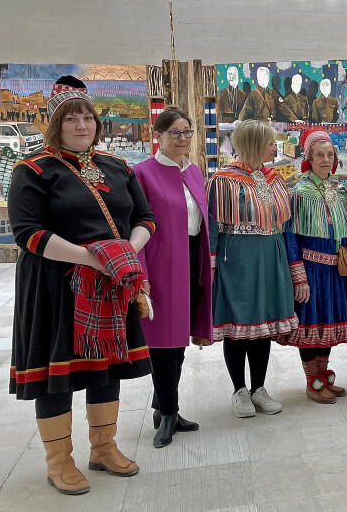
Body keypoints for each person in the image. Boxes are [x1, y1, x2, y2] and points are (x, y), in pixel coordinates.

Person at [8, 76, 154, 495]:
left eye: (86, 117)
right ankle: (59, 462)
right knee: (58, 372)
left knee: (106, 365)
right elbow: (28, 233)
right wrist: (95, 258)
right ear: (56, 125)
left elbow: (145, 219)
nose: (80, 125)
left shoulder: (117, 167)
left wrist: (125, 252)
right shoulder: (34, 170)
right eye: (70, 118)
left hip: (110, 285)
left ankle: (103, 448)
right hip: (57, 284)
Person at [207, 120, 299, 417]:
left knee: (262, 325)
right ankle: (239, 390)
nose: (275, 147)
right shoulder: (221, 180)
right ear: (254, 145)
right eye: (270, 143)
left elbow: (285, 225)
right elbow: (211, 226)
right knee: (239, 326)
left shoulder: (275, 178)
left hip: (271, 255)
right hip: (237, 259)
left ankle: (258, 388)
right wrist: (210, 265)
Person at [133, 107, 213, 448]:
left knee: (179, 339)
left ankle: (164, 405)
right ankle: (168, 413)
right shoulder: (142, 173)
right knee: (161, 343)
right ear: (158, 136)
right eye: (174, 133)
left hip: (191, 259)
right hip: (161, 265)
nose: (182, 139)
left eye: (187, 132)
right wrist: (142, 275)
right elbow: (135, 227)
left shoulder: (194, 171)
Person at [281, 128, 347, 403]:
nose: (325, 160)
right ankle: (312, 380)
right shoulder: (298, 193)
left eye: (330, 155)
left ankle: (323, 376)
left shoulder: (340, 190)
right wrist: (299, 276)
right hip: (311, 270)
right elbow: (291, 236)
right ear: (308, 157)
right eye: (319, 155)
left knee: (327, 324)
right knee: (311, 326)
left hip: (336, 271)